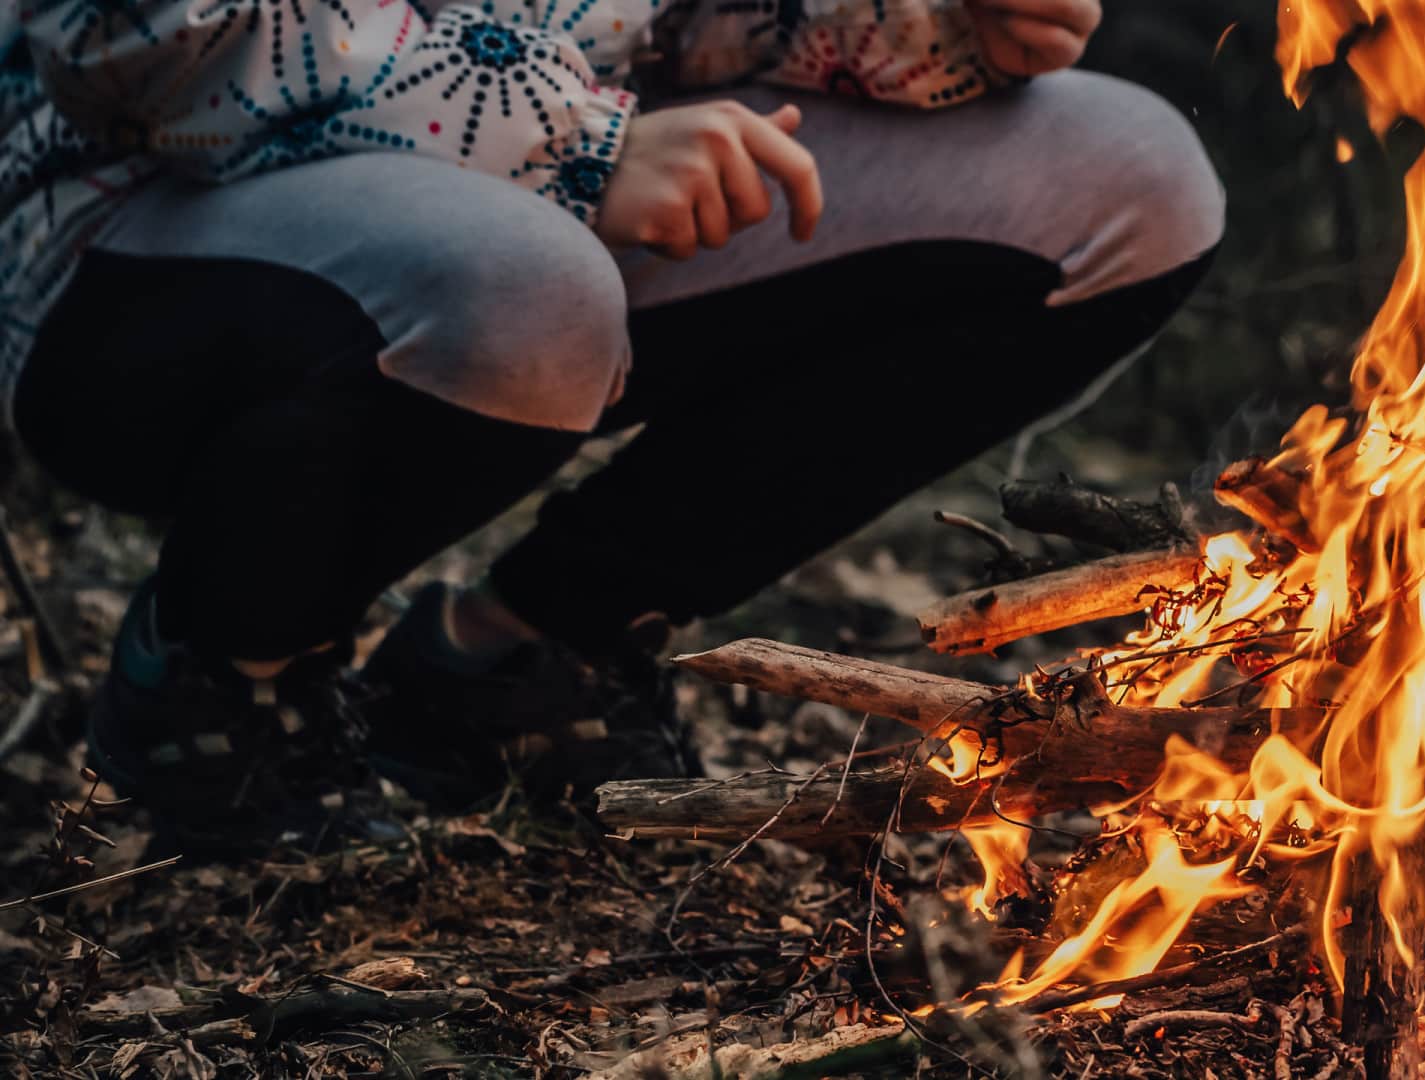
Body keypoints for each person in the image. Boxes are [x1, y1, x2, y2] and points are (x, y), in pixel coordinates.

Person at [1, 0, 1224, 854]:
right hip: (121, 239)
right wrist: (582, 150)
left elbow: (676, 17)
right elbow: (144, 37)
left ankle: (520, 662)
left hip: (537, 187)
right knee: (530, 285)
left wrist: (933, 27)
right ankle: (222, 679)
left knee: (1128, 183)